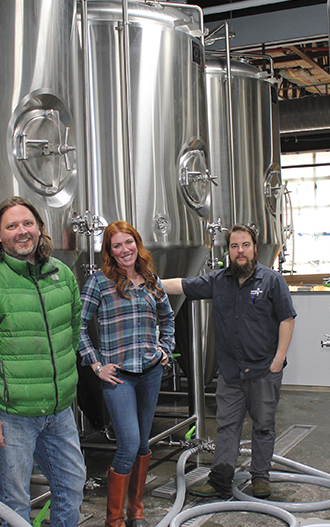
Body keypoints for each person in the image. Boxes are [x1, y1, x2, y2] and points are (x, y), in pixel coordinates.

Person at [0, 196, 85, 527]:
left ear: (40, 228)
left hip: (59, 412)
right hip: (12, 417)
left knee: (71, 486)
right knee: (15, 501)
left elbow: (72, 330)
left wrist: (65, 386)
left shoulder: (62, 273)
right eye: (12, 226)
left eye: (28, 224)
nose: (22, 232)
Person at [163, 224, 296, 500]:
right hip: (231, 373)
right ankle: (220, 479)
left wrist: (279, 359)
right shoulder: (219, 280)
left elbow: (287, 318)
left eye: (245, 245)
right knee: (226, 427)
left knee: (263, 426)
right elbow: (182, 285)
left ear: (255, 248)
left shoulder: (272, 281)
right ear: (228, 251)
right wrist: (145, 282)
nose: (240, 251)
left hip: (263, 371)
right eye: (234, 246)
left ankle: (260, 478)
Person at [78, 221, 175, 527]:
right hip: (118, 376)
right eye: (116, 245)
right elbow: (77, 327)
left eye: (128, 242)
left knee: (144, 444)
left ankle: (136, 509)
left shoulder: (150, 279)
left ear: (138, 243)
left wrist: (165, 349)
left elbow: (168, 318)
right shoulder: (99, 282)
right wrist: (95, 365)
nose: (124, 250)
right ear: (109, 251)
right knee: (129, 444)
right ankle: (114, 519)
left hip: (149, 372)